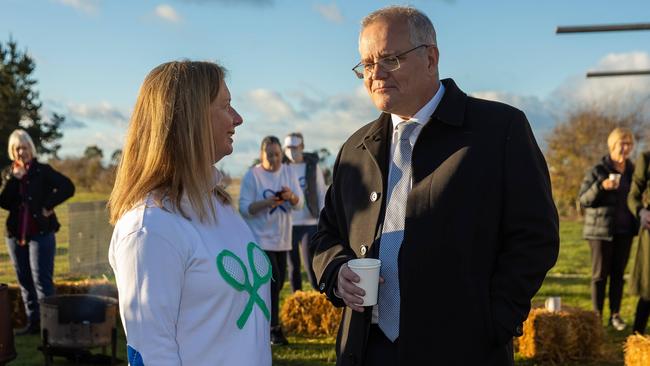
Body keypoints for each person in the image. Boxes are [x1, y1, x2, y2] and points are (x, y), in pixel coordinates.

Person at [311, 6, 559, 365]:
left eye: (390, 60)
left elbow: (535, 237)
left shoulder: (499, 130)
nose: (376, 74)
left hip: (463, 348)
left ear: (431, 57)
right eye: (366, 64)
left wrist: (496, 320)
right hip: (366, 348)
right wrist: (336, 272)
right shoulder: (355, 147)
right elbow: (326, 234)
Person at [108, 61, 272, 365]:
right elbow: (152, 353)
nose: (238, 118)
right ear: (191, 120)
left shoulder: (219, 205)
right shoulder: (150, 228)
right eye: (226, 106)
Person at [0, 129, 75, 335]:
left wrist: (49, 205)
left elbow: (68, 187)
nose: (20, 152)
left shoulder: (42, 170)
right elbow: (4, 202)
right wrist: (14, 179)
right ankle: (33, 324)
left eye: (24, 147)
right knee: (24, 281)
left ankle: (50, 328)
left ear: (30, 148)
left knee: (42, 281)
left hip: (41, 233)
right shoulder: (8, 173)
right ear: (12, 151)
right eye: (16, 148)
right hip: (16, 236)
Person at [239, 135, 303, 346]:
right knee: (270, 283)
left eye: (277, 154)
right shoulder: (253, 175)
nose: (274, 159)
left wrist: (290, 195)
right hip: (259, 240)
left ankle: (266, 327)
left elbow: (299, 204)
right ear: (261, 154)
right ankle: (272, 328)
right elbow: (245, 209)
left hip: (282, 239)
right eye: (270, 154)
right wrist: (267, 202)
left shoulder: (288, 171)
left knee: (277, 284)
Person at [578, 127, 637, 331]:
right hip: (600, 233)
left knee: (618, 275)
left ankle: (615, 315)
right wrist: (601, 186)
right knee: (600, 276)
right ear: (612, 144)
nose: (626, 147)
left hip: (625, 231)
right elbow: (583, 200)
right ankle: (596, 317)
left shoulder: (633, 171)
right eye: (623, 143)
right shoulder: (598, 170)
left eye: (629, 143)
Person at [283, 132, 327, 291]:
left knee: (311, 265)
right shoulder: (283, 167)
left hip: (309, 221)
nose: (291, 151)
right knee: (293, 266)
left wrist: (322, 220)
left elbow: (321, 192)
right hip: (289, 223)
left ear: (302, 147)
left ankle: (318, 296)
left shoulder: (312, 167)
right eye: (288, 147)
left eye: (295, 147)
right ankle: (297, 299)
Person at [628, 150, 650, 334]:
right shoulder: (646, 158)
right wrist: (642, 212)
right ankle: (637, 337)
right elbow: (633, 195)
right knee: (649, 290)